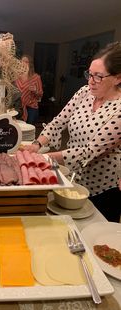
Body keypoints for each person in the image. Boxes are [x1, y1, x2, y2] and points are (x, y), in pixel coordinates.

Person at [22, 42, 121, 222]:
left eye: (98, 76)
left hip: (102, 186)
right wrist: (36, 145)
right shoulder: (84, 92)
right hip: (73, 177)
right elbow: (59, 121)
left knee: (96, 234)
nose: (90, 81)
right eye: (89, 74)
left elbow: (89, 151)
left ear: (117, 78)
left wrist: (45, 158)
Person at [15, 55, 43, 124]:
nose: (24, 63)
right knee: (18, 130)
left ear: (30, 64)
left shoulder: (36, 77)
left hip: (31, 108)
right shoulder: (16, 76)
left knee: (29, 131)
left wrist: (35, 91)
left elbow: (40, 95)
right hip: (18, 107)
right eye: (22, 61)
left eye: (26, 62)